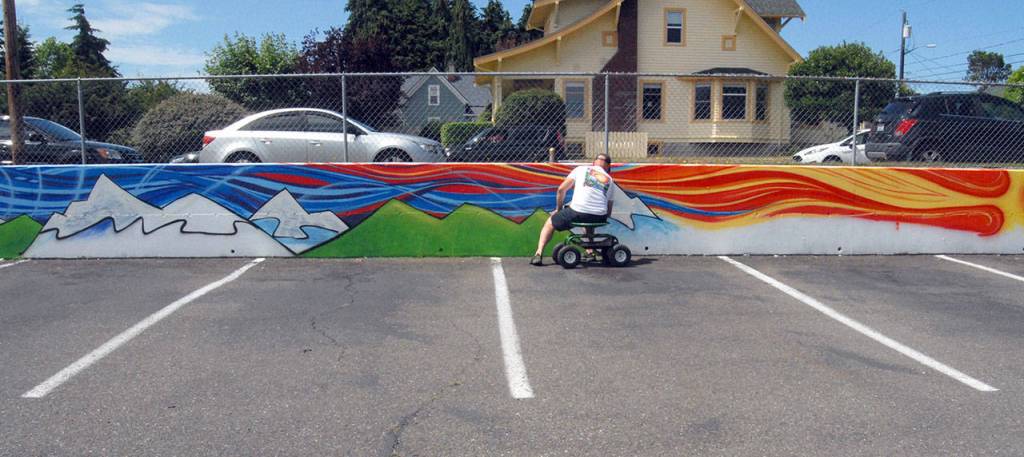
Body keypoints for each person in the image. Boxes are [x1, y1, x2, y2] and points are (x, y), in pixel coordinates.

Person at [531, 153, 615, 266]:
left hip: (578, 212)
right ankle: (590, 250)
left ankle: (538, 253)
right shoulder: (610, 180)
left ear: (594, 163)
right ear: (608, 167)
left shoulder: (581, 169)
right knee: (589, 220)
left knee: (550, 222)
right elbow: (609, 211)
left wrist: (559, 209)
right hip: (599, 216)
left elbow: (561, 189)